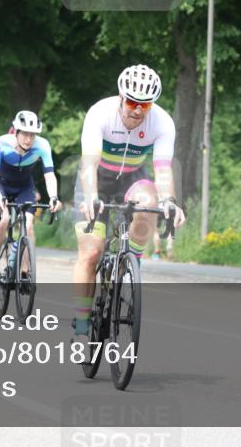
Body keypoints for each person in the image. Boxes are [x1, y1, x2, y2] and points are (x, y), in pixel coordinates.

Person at [73, 65, 186, 338]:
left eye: (145, 106)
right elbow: (89, 163)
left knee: (150, 203)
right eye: (133, 102)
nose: (137, 111)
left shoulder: (162, 122)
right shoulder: (100, 113)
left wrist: (170, 201)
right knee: (90, 253)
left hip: (133, 179)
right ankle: (81, 322)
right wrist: (91, 197)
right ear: (121, 97)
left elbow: (161, 168)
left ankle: (130, 264)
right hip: (96, 179)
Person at [0, 111, 62, 286]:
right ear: (16, 132)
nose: (29, 139)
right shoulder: (0, 144)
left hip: (24, 187)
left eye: (32, 135)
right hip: (1, 185)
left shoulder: (42, 146)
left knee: (28, 226)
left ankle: (24, 272)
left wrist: (54, 197)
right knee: (2, 220)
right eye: (25, 134)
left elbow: (49, 175)